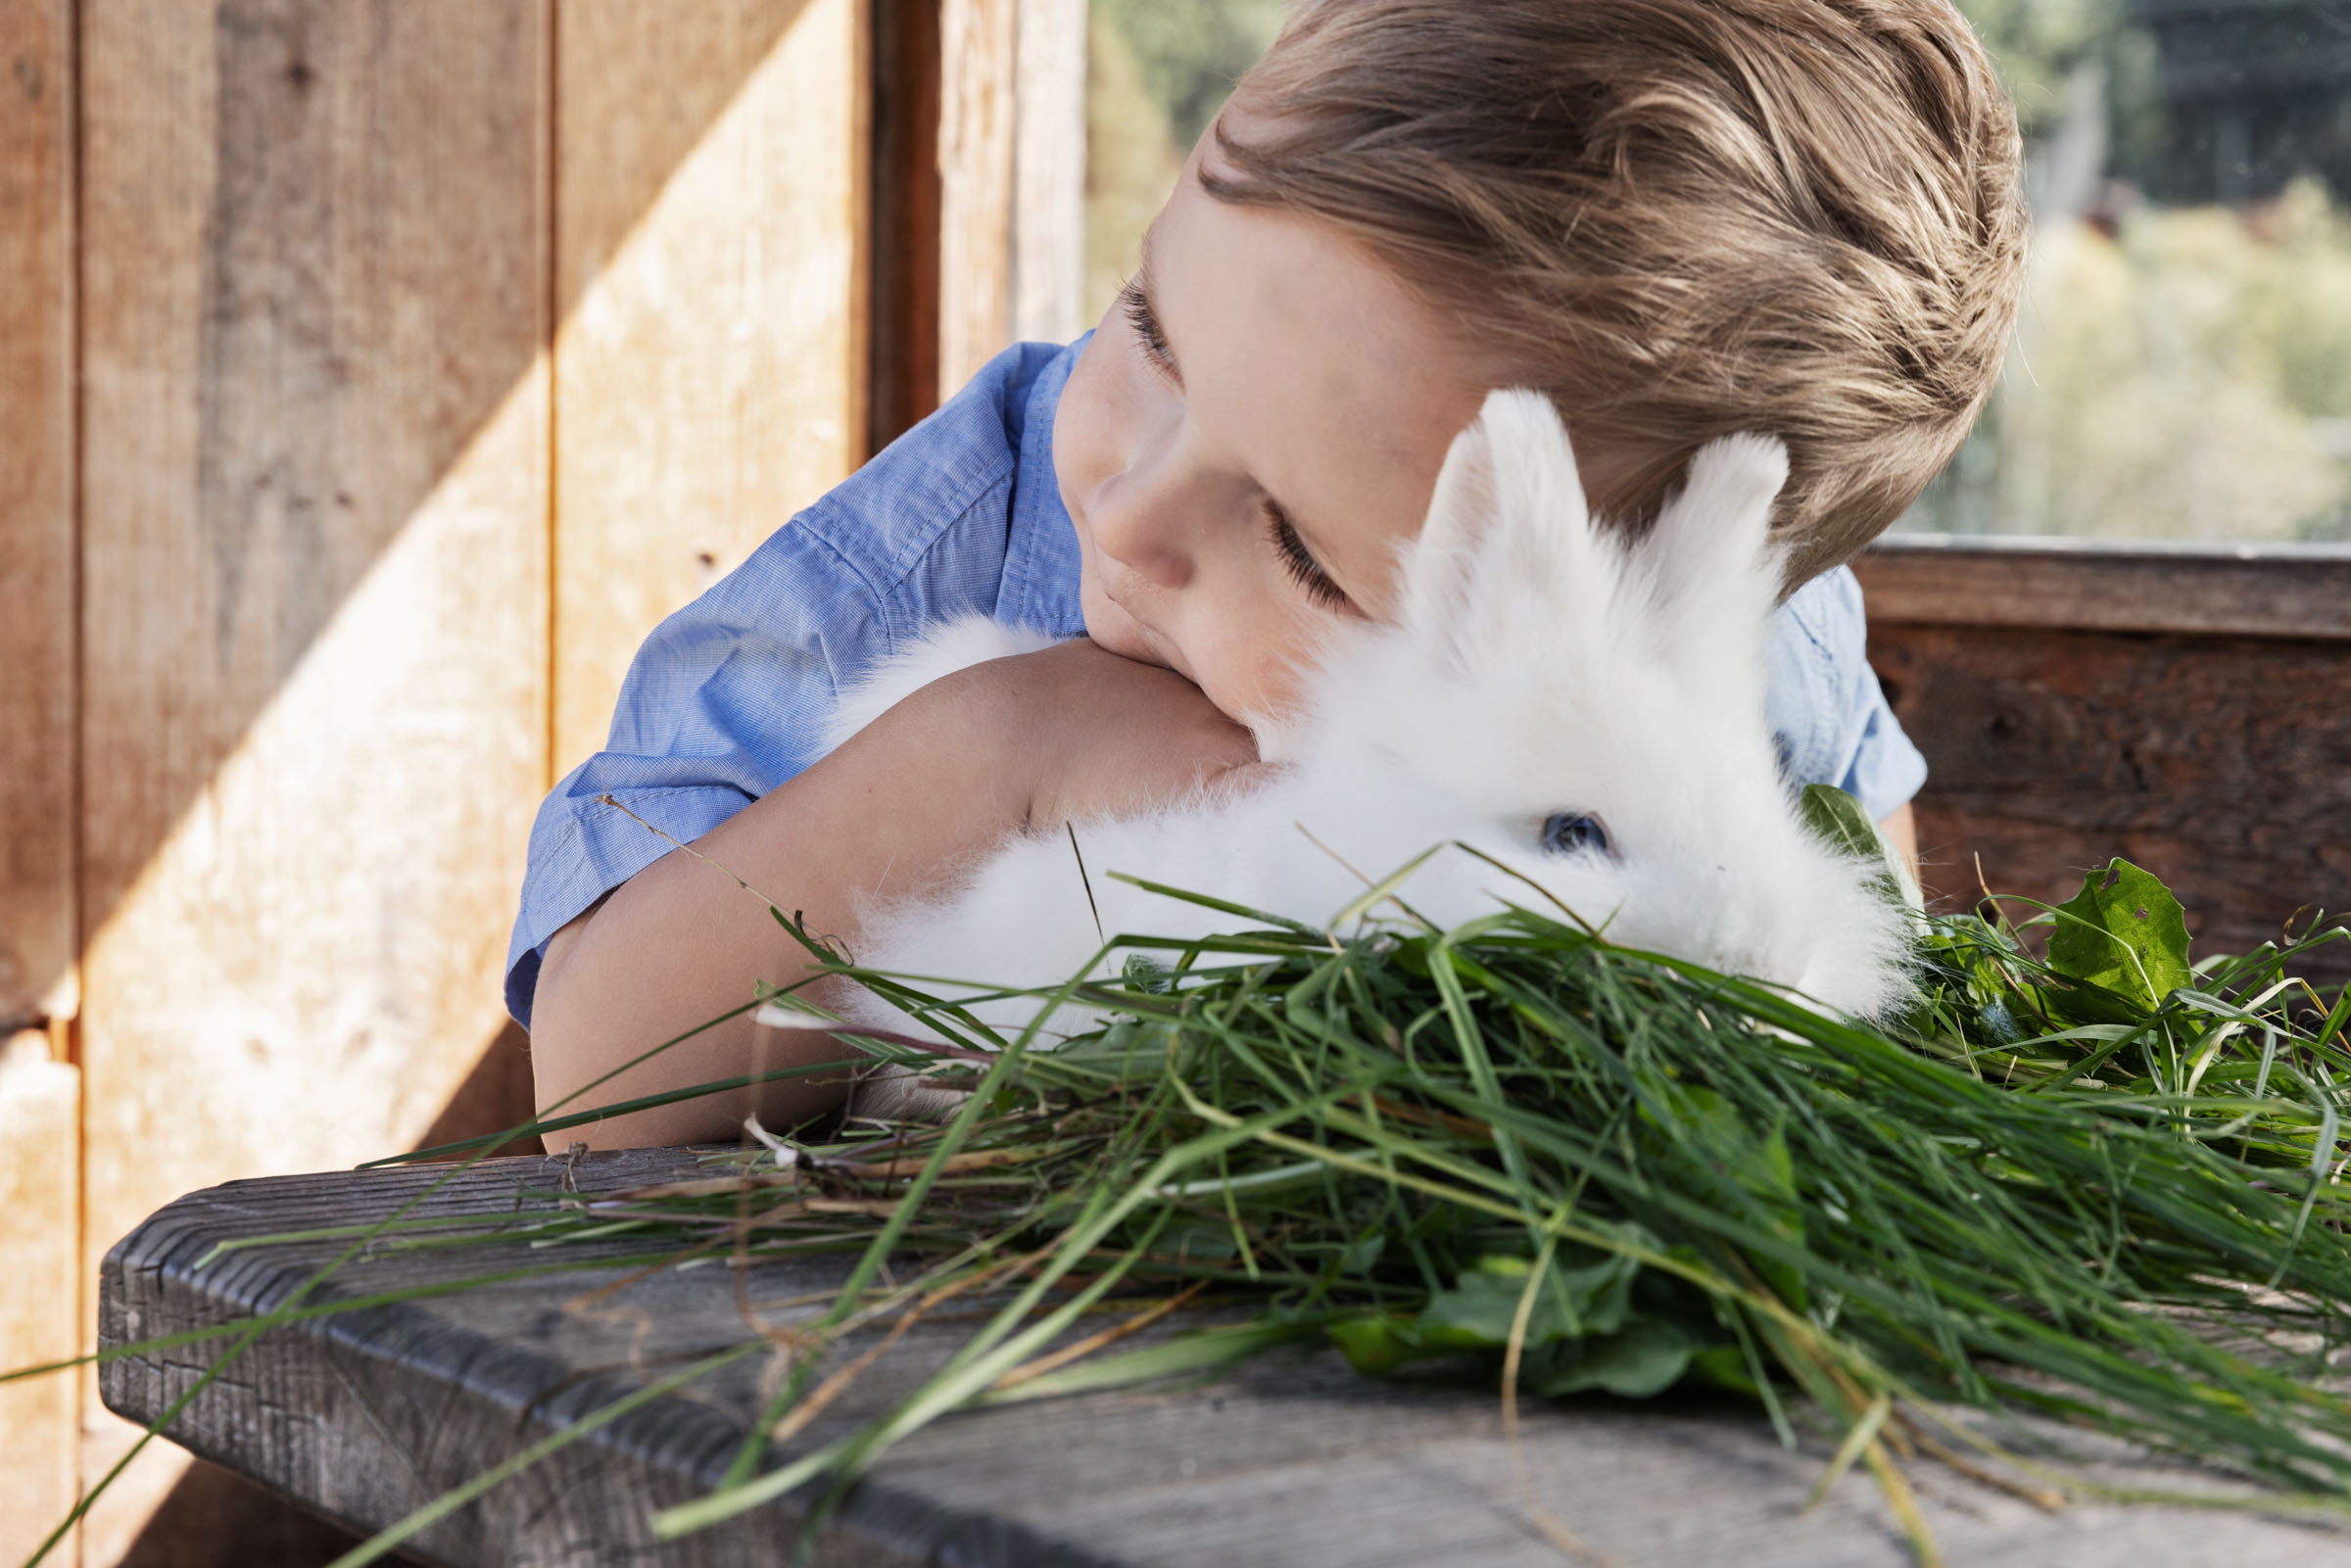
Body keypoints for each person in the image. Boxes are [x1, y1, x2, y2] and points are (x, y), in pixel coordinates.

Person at [515, 0, 2026, 1149]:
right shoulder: (953, 533)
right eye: (1152, 331)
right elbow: (593, 1087)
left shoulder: (1750, 648)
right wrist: (998, 757)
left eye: (1300, 548)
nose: (1126, 508)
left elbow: (1826, 942)